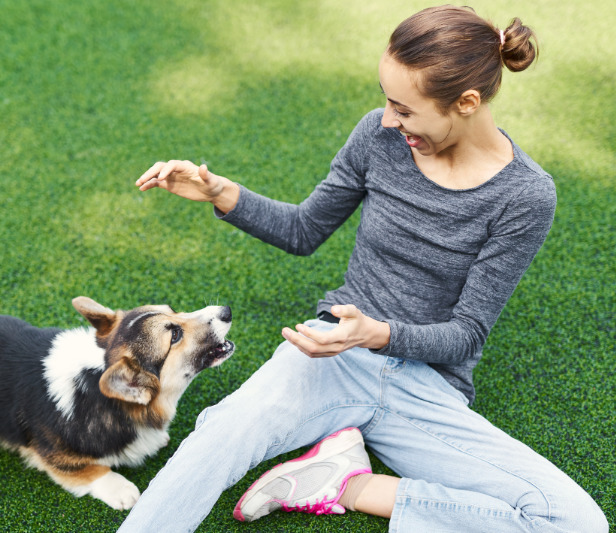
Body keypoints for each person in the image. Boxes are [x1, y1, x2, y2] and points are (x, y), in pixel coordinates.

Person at [119, 5, 609, 533]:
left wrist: (378, 334)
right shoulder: (378, 138)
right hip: (329, 357)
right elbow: (304, 230)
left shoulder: (526, 196)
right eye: (386, 100)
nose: (387, 119)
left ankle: (350, 484)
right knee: (219, 436)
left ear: (466, 103)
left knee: (576, 521)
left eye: (404, 109)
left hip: (426, 389)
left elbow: (466, 336)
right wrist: (222, 193)